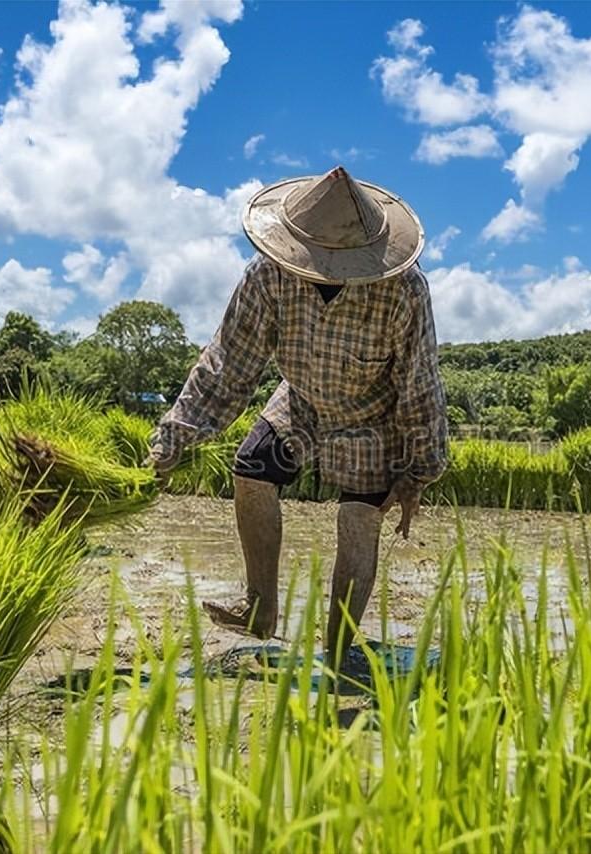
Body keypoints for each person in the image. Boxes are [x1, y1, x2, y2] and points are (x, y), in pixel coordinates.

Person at [145, 165, 448, 664]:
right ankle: (260, 607)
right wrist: (172, 442)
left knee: (357, 521)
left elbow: (420, 383)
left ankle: (339, 648)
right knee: (252, 470)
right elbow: (227, 364)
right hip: (303, 397)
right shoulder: (268, 276)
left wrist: (419, 472)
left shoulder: (403, 291)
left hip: (373, 415)